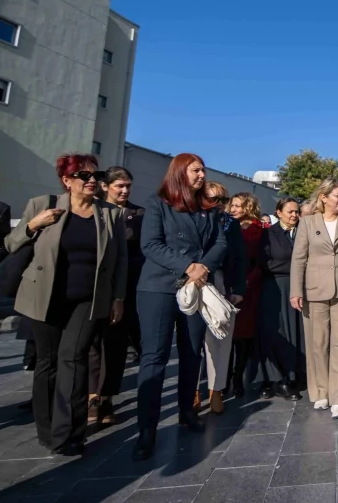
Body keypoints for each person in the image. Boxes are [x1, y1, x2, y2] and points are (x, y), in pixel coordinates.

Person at [6, 154, 127, 456]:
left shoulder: (110, 214)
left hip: (88, 300)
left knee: (74, 360)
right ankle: (47, 430)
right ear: (66, 180)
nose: (91, 181)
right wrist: (34, 224)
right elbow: (11, 243)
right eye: (82, 176)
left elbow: (120, 262)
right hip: (45, 298)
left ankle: (71, 433)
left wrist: (118, 298)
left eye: (94, 175)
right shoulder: (42, 204)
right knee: (47, 364)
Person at [133, 153, 227, 461]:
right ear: (179, 173)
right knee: (154, 358)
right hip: (158, 289)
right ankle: (146, 429)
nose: (202, 175)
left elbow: (220, 243)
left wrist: (202, 267)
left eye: (203, 170)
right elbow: (150, 245)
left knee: (191, 352)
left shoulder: (208, 209)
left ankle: (187, 411)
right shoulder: (158, 202)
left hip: (195, 291)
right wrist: (188, 265)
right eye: (196, 170)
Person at [290, 179, 338, 419]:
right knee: (318, 343)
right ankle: (321, 392)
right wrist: (296, 290)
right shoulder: (307, 223)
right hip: (314, 291)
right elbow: (299, 259)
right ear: (324, 197)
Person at [87, 166, 144, 425]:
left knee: (115, 346)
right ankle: (90, 397)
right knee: (90, 347)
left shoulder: (138, 215)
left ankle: (107, 398)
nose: (124, 191)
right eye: (119, 186)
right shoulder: (92, 211)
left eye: (128, 186)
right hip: (93, 289)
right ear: (105, 186)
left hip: (127, 290)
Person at [195, 181, 244, 413]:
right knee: (193, 342)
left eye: (224, 200)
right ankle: (193, 391)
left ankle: (216, 391)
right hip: (195, 285)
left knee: (221, 344)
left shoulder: (231, 224)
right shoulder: (193, 219)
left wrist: (238, 290)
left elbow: (240, 258)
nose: (220, 205)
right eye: (214, 199)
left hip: (224, 287)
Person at [257, 197, 303, 400]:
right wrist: (296, 267)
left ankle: (293, 375)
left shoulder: (302, 232)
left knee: (295, 332)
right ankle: (277, 379)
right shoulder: (268, 234)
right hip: (275, 288)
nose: (294, 215)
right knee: (277, 332)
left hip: (298, 288)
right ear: (278, 212)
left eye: (296, 211)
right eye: (290, 211)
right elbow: (264, 262)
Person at [227, 193, 265, 397]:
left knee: (244, 335)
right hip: (228, 283)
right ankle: (222, 380)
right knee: (225, 334)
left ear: (248, 207)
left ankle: (238, 377)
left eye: (238, 206)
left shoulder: (259, 229)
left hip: (251, 284)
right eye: (231, 205)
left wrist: (249, 280)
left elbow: (263, 258)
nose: (233, 209)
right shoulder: (225, 225)